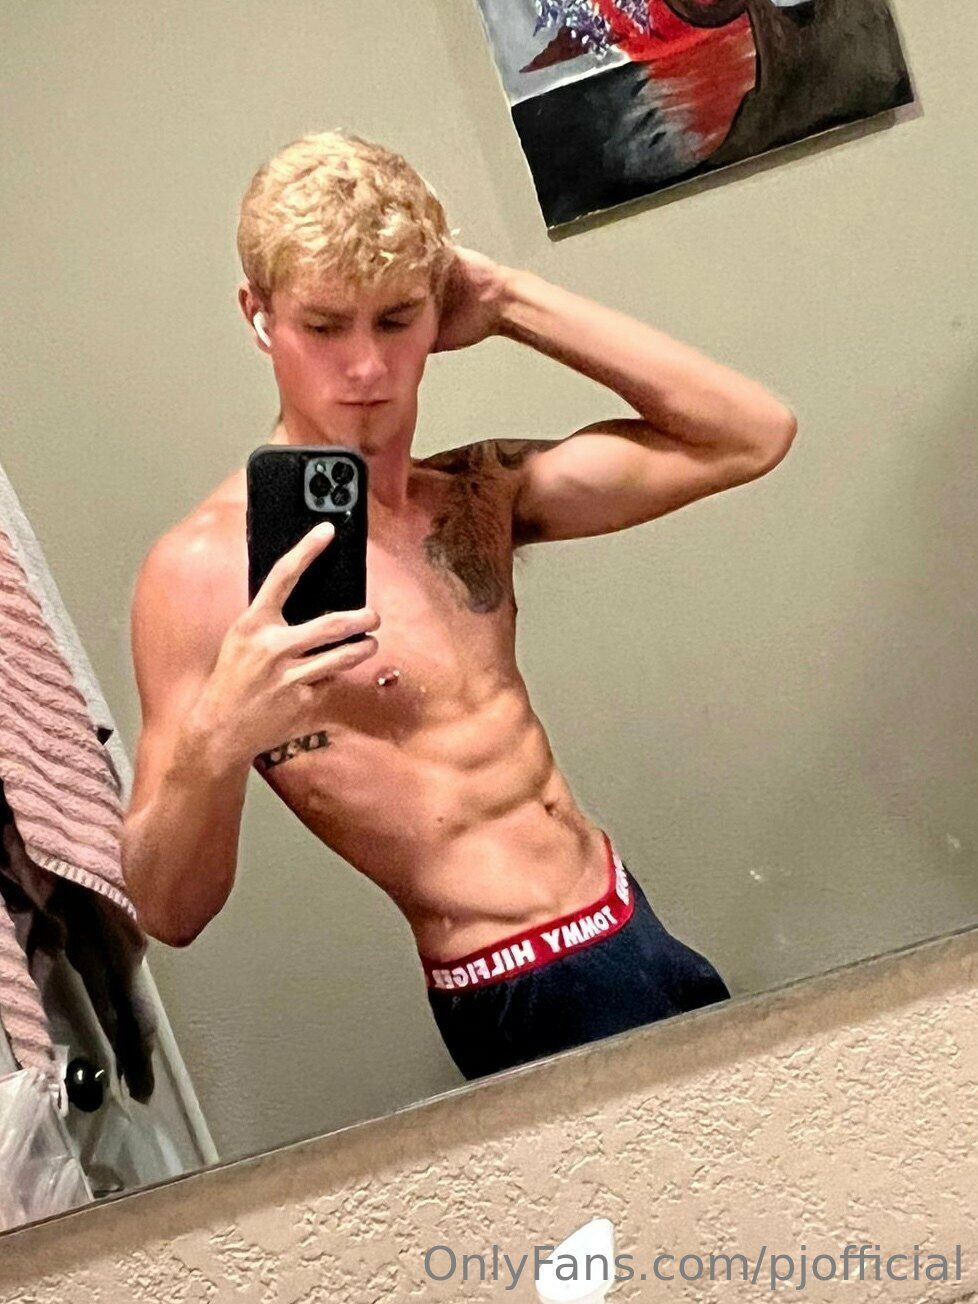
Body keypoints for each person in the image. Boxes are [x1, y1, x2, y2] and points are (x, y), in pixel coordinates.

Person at [121, 129, 796, 1080]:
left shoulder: (475, 496)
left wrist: (512, 300)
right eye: (324, 327)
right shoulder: (201, 573)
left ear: (439, 310)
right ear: (258, 316)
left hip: (629, 922)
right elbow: (167, 910)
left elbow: (752, 434)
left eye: (396, 320)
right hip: (515, 985)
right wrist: (215, 742)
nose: (366, 368)